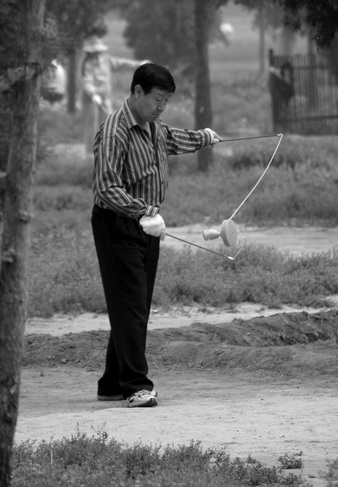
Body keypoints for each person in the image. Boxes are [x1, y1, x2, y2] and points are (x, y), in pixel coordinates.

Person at [91, 62, 222, 408]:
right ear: (137, 92)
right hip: (117, 223)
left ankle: (111, 382)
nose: (161, 107)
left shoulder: (153, 127)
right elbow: (106, 188)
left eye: (166, 101)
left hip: (148, 224)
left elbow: (173, 138)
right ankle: (135, 386)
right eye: (157, 100)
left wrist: (204, 138)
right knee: (131, 304)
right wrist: (143, 212)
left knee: (135, 304)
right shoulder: (114, 131)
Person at [81, 36, 146, 155]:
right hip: (91, 99)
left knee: (109, 122)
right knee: (92, 125)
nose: (96, 54)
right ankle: (91, 153)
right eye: (94, 52)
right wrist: (93, 94)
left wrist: (139, 64)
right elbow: (86, 82)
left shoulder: (106, 60)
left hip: (104, 98)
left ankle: (108, 149)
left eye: (98, 52)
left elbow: (122, 63)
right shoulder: (87, 64)